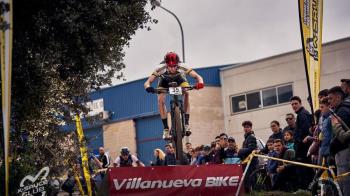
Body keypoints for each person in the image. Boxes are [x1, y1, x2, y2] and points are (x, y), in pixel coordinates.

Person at [144, 52, 204, 139]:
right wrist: (148, 87)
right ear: (166, 64)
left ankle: (186, 124)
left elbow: (198, 76)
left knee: (186, 93)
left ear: (178, 63)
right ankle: (166, 129)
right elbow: (147, 82)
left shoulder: (183, 66)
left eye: (174, 66)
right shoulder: (160, 68)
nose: (172, 69)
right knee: (160, 99)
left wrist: (200, 83)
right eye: (170, 66)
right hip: (164, 81)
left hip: (180, 79)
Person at [328, 86, 350, 195]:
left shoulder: (342, 111)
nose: (329, 101)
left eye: (330, 98)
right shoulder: (342, 109)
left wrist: (332, 147)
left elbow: (342, 137)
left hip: (343, 151)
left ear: (338, 97)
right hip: (342, 150)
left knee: (344, 181)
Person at [289, 96, 313, 189]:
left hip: (303, 149)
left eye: (296, 103)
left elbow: (306, 132)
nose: (294, 106)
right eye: (292, 104)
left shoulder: (303, 114)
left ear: (300, 103)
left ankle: (307, 190)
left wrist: (299, 143)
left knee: (304, 172)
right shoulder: (301, 114)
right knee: (305, 171)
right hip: (302, 148)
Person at [238, 120, 258, 193]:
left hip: (251, 162)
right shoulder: (246, 138)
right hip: (247, 161)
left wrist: (240, 151)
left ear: (251, 128)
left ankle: (253, 192)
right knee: (247, 180)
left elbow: (251, 148)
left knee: (250, 180)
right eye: (244, 127)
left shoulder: (251, 137)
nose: (245, 129)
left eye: (247, 127)